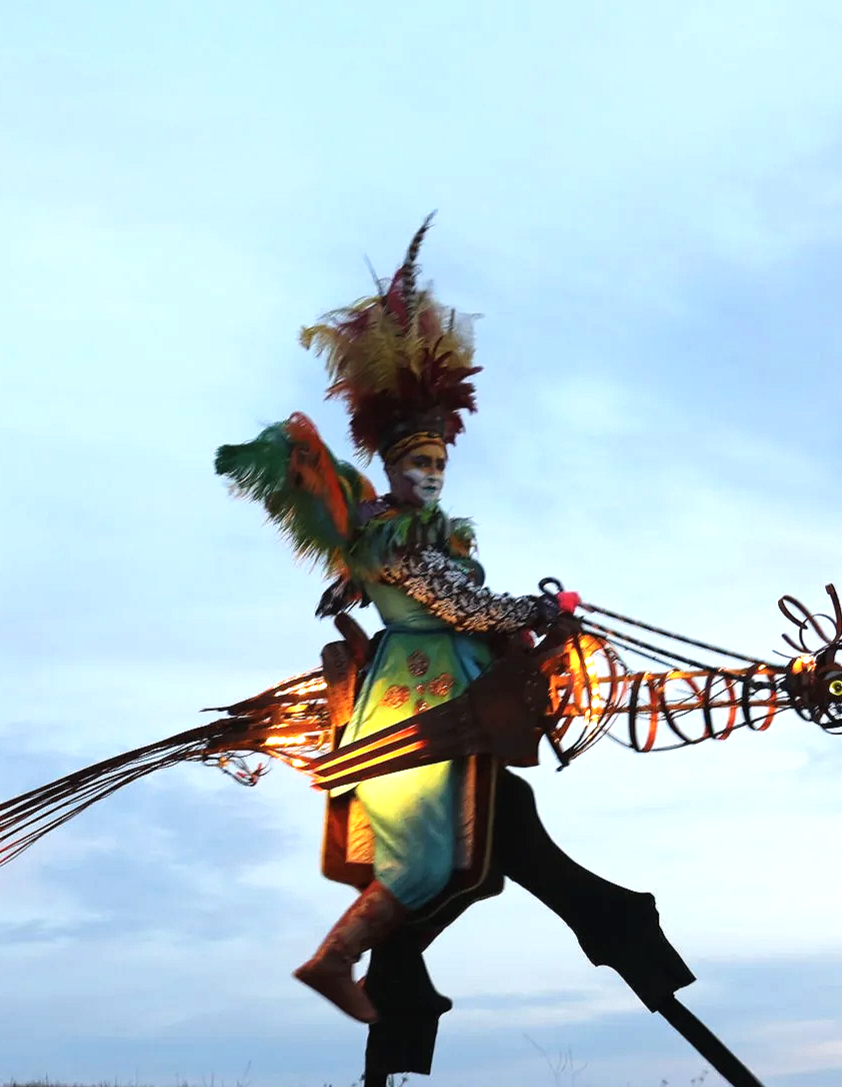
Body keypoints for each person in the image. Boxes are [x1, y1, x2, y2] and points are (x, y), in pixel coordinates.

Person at [215, 216, 579, 1022]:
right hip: (415, 701)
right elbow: (466, 607)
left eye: (440, 464)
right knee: (419, 864)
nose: (431, 476)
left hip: (451, 683)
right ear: (391, 466)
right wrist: (544, 608)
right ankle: (333, 958)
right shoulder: (399, 539)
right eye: (419, 463)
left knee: (464, 847)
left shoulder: (423, 535)